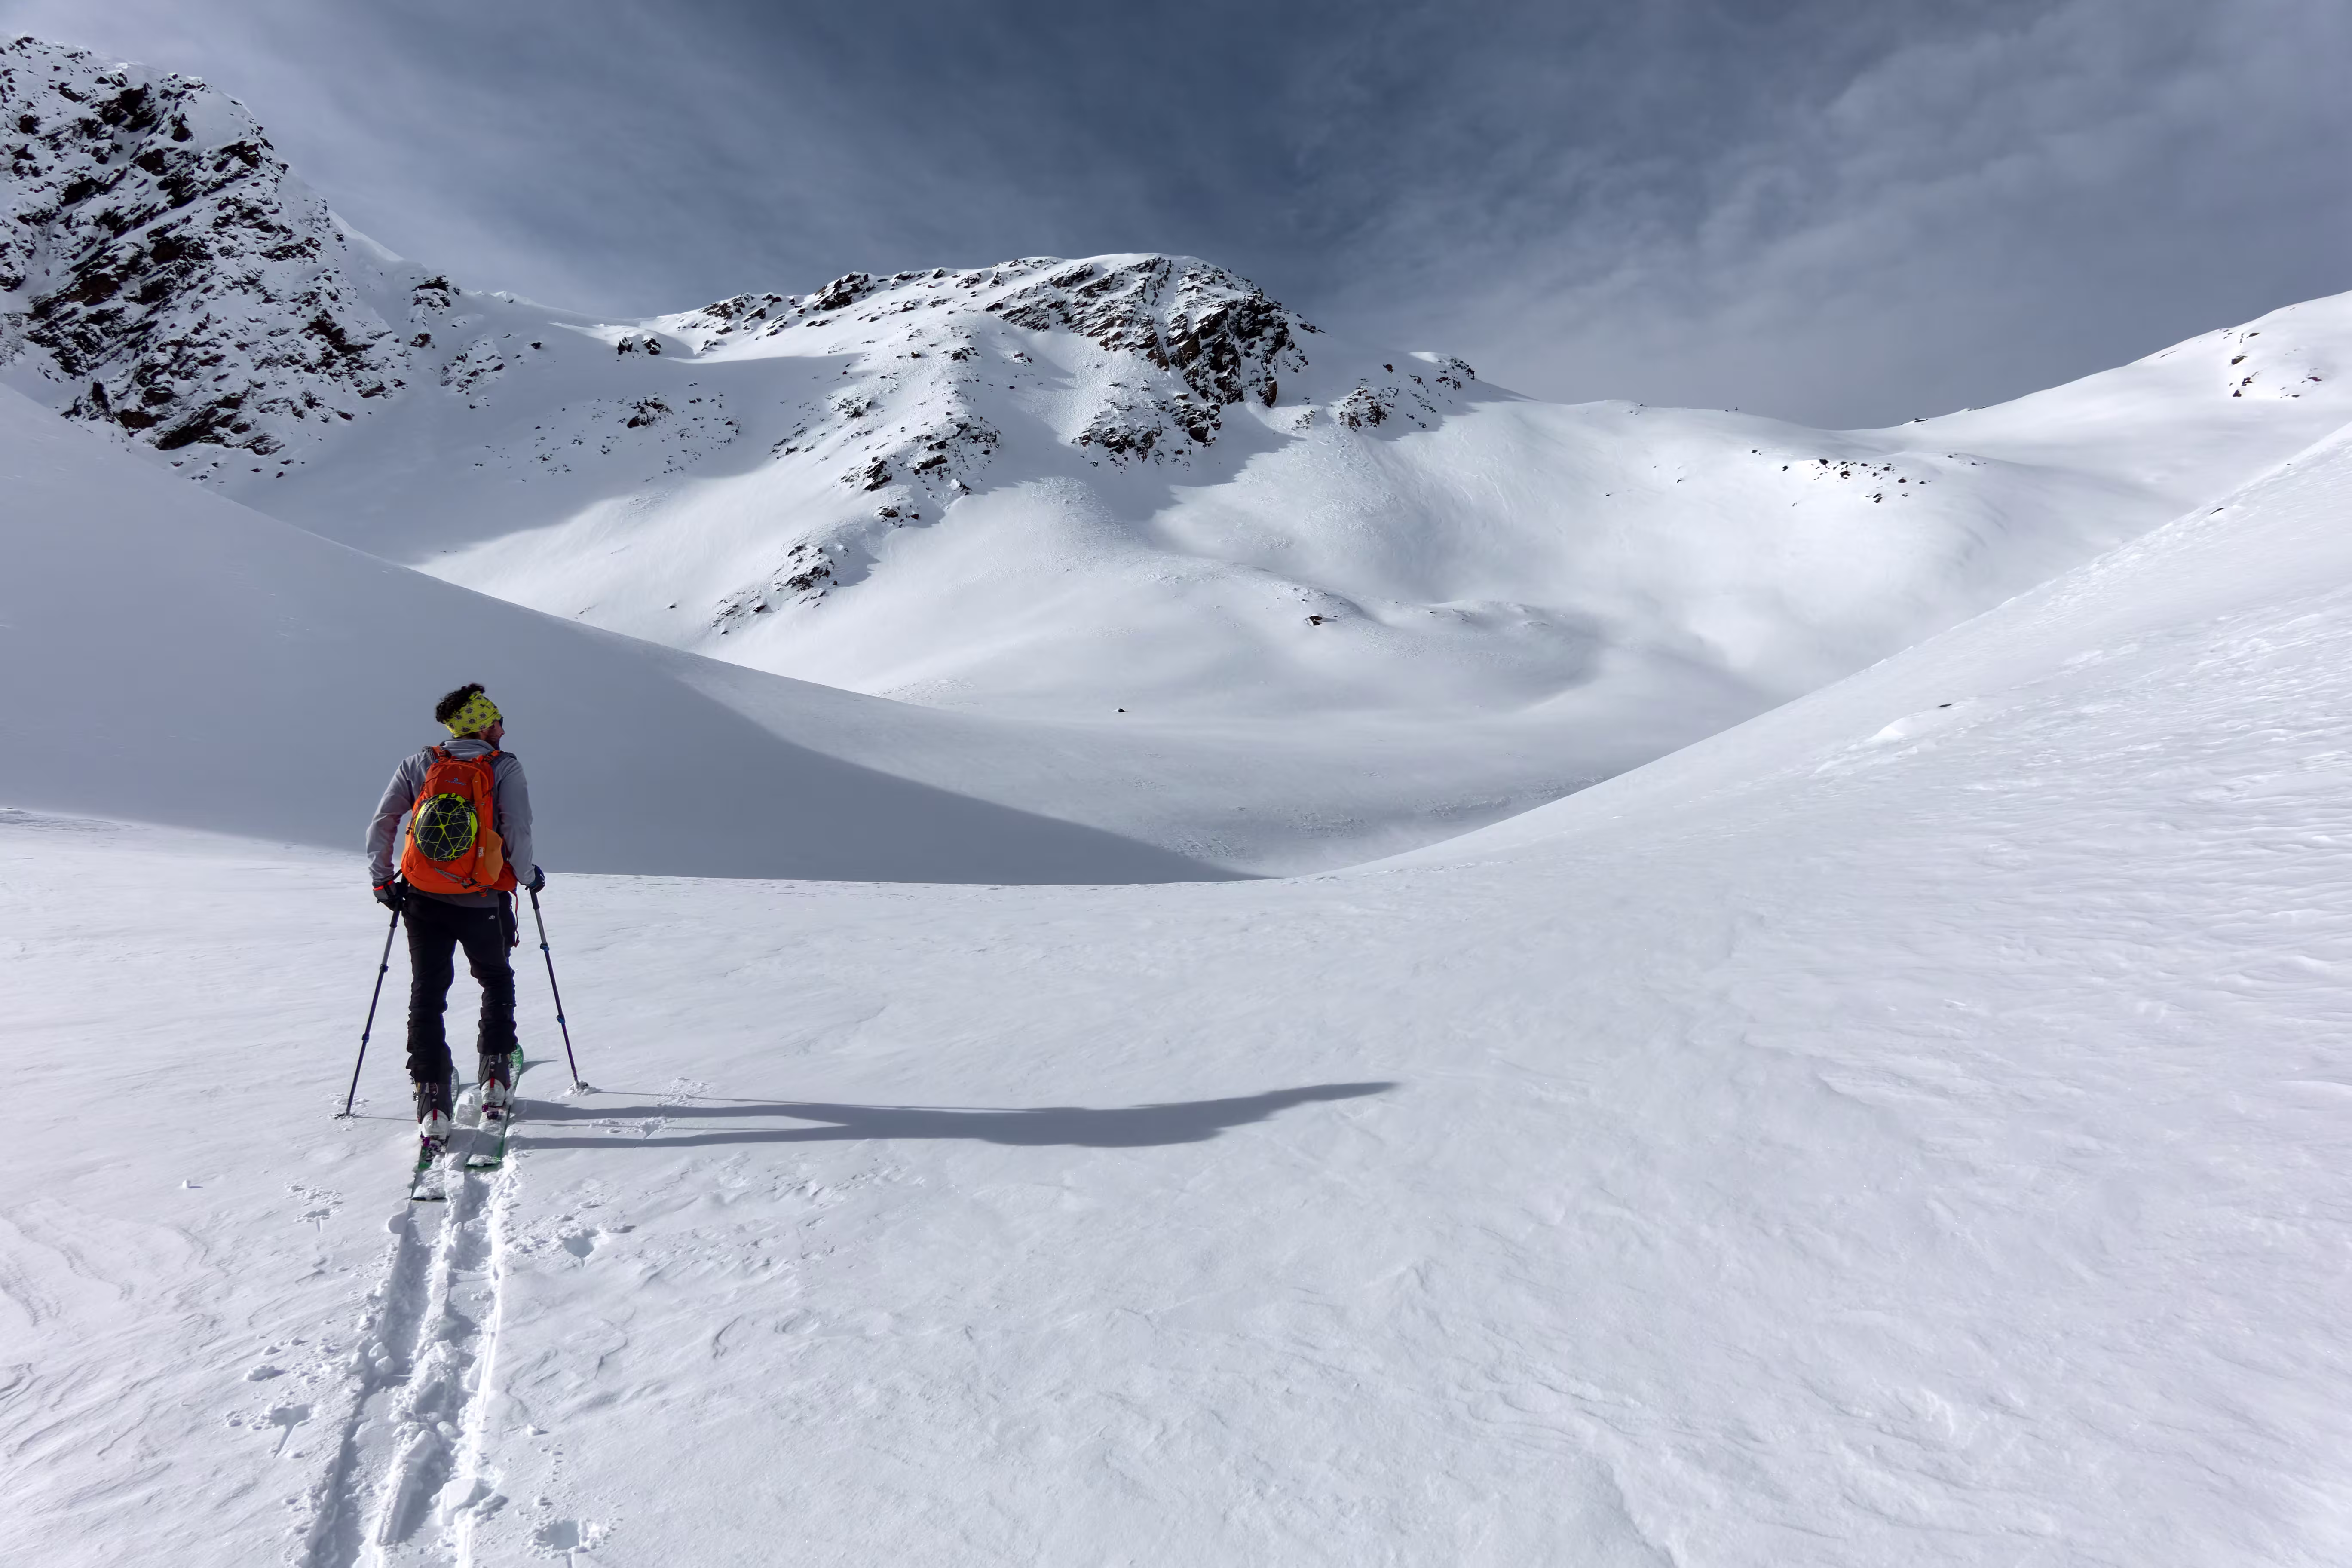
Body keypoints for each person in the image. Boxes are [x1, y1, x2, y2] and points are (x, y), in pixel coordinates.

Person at [365, 683, 545, 1145]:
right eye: (498, 719)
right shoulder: (504, 766)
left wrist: (382, 879)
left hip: (421, 898)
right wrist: (527, 875)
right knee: (495, 979)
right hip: (483, 898)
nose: (503, 727)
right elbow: (517, 827)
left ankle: (431, 1094)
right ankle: (496, 1077)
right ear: (483, 725)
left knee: (428, 992)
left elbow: (384, 820)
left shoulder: (420, 763)